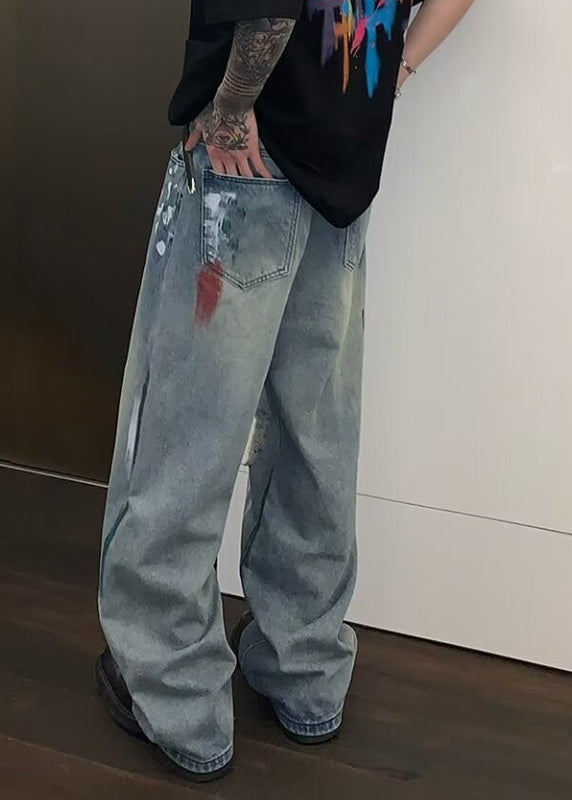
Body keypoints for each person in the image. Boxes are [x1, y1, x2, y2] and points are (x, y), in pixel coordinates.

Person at [95, 0, 477, 783]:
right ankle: (303, 668)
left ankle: (175, 697)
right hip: (346, 159)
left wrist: (232, 109)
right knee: (314, 430)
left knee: (184, 433)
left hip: (251, 161)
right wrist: (393, 71)